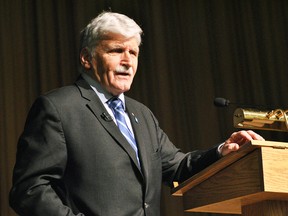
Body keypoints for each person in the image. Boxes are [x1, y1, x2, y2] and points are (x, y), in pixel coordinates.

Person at [9, 12, 264, 216]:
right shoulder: (59, 107)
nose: (128, 61)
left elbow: (176, 166)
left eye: (133, 53)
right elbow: (29, 189)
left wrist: (222, 151)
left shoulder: (141, 114)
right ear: (87, 58)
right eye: (116, 50)